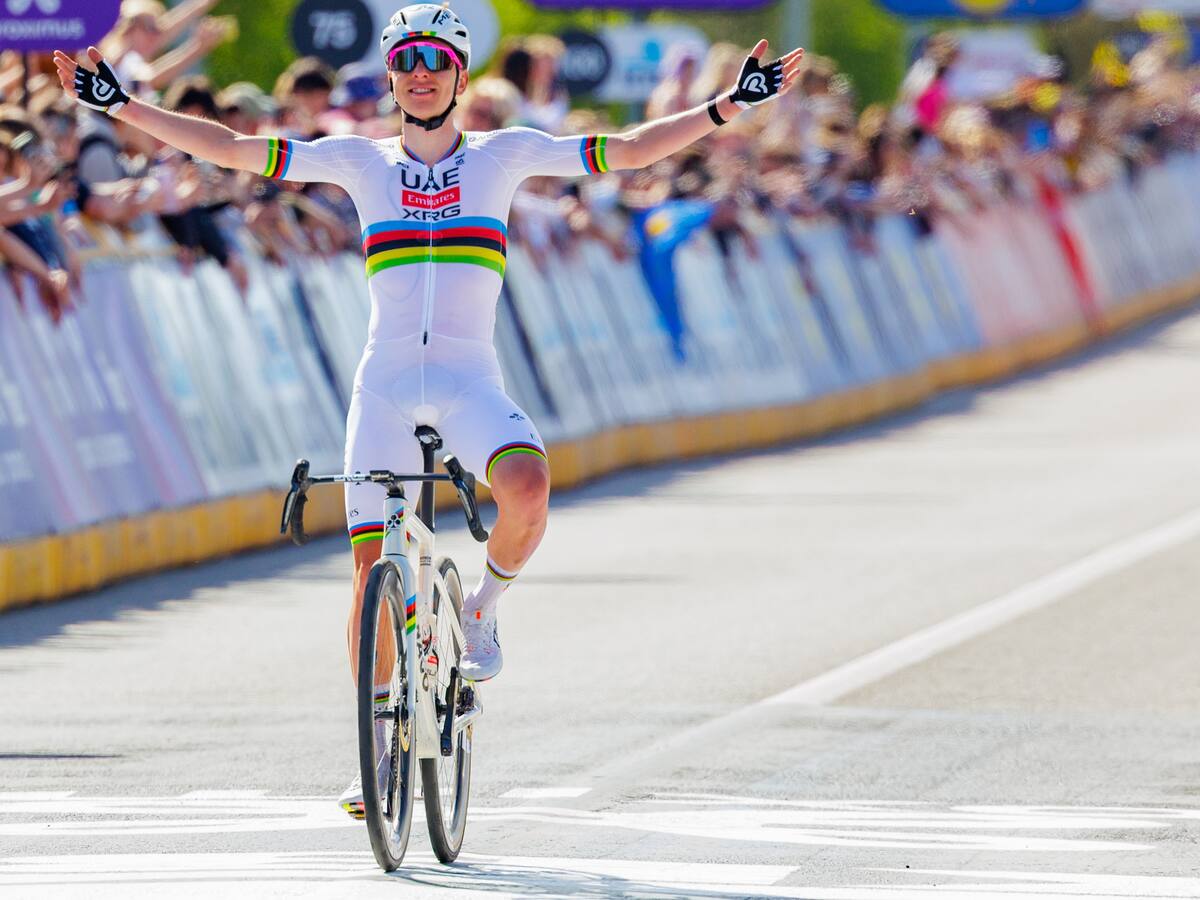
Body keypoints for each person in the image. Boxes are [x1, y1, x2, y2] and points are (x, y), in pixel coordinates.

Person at [54, 3, 802, 817]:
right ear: (390, 77)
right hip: (383, 387)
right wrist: (118, 102)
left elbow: (623, 152)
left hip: (469, 380)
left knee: (527, 491)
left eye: (435, 62)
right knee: (370, 574)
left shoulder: (504, 155)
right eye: (406, 61)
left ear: (459, 74)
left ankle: (481, 611)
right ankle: (373, 747)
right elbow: (234, 149)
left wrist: (731, 105)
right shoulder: (359, 162)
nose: (420, 74)